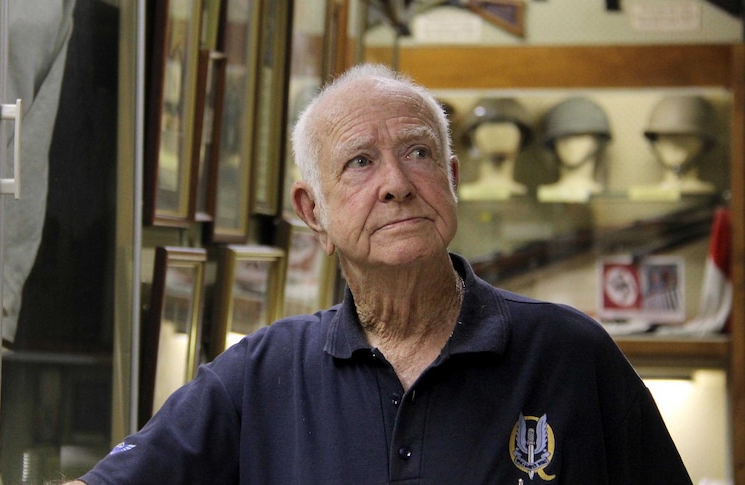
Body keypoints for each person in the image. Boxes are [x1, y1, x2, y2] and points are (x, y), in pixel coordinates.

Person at [67, 63, 690, 484]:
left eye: (417, 153)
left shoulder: (570, 356)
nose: (396, 184)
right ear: (313, 212)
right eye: (360, 162)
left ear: (450, 178)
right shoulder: (258, 377)